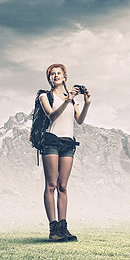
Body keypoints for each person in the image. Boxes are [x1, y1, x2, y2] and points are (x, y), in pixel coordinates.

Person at [39, 63, 91, 241]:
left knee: (63, 186)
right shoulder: (44, 96)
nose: (56, 76)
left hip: (68, 143)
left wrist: (87, 104)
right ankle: (53, 229)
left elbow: (80, 121)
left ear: (64, 77)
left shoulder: (72, 100)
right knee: (51, 185)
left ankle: (63, 227)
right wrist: (67, 100)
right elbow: (52, 115)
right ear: (49, 79)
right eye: (52, 74)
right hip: (51, 140)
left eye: (59, 73)